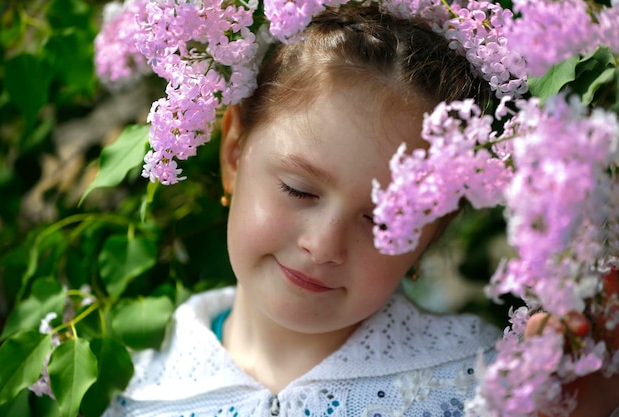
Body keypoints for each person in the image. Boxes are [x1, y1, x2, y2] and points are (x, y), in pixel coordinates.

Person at [103, 4, 619, 417]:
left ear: (433, 230)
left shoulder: (486, 387)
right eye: (299, 190)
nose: (323, 246)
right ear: (234, 153)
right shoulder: (135, 389)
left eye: (381, 220)